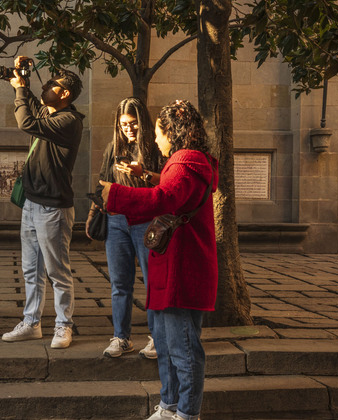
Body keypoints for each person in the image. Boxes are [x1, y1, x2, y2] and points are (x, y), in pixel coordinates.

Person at [99, 100, 218, 420]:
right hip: (174, 264)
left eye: (157, 132)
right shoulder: (184, 161)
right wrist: (150, 176)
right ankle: (168, 406)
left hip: (183, 267)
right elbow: (171, 190)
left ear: (172, 132)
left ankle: (186, 414)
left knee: (183, 348)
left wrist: (116, 194)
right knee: (166, 344)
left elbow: (165, 198)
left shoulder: (186, 162)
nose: (156, 139)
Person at [0, 56, 84, 349]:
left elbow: (26, 121)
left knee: (57, 271)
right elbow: (34, 107)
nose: (46, 85)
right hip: (32, 203)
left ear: (65, 94)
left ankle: (63, 326)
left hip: (54, 208)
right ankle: (32, 323)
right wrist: (23, 81)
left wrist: (22, 90)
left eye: (52, 84)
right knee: (31, 269)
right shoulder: (51, 114)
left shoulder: (69, 121)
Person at [87, 97, 162, 358]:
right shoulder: (113, 148)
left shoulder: (155, 148)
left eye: (134, 124)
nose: (128, 129)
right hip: (117, 221)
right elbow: (102, 183)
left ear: (143, 123)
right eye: (123, 125)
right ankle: (121, 337)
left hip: (146, 221)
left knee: (153, 282)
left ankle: (156, 338)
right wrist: (97, 208)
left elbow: (166, 185)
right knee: (120, 283)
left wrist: (141, 173)